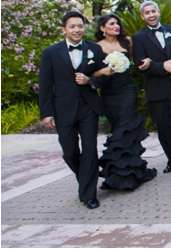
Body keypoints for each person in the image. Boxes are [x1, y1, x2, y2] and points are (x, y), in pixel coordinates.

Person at [38, 11, 105, 209]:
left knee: (90, 150)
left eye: (80, 26)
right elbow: (45, 85)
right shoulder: (50, 53)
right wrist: (46, 112)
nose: (77, 30)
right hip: (63, 108)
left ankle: (89, 194)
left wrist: (90, 81)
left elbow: (104, 77)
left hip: (88, 107)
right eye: (72, 26)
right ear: (64, 29)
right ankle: (85, 177)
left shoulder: (95, 50)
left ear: (85, 28)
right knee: (69, 152)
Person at [92, 15, 157, 191]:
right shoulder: (96, 48)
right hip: (109, 93)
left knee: (126, 129)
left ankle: (131, 174)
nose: (116, 26)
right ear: (102, 28)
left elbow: (138, 62)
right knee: (118, 129)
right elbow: (92, 73)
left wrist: (147, 62)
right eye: (111, 23)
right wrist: (104, 71)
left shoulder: (127, 41)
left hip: (127, 90)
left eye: (117, 23)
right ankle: (122, 173)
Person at [132, 1, 171, 176]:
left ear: (158, 12)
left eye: (153, 11)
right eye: (147, 13)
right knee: (163, 127)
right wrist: (161, 66)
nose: (151, 15)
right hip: (156, 88)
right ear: (142, 16)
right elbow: (139, 65)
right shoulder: (138, 37)